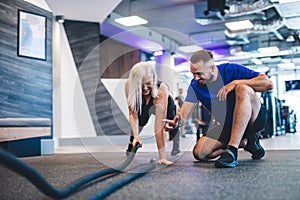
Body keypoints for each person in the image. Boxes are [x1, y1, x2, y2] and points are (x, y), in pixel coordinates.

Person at [165, 49, 273, 168]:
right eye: (193, 74)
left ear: (212, 68)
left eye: (199, 74)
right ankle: (247, 142)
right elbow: (184, 114)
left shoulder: (231, 70)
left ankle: (232, 150)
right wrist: (176, 122)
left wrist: (235, 83)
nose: (195, 78)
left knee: (242, 88)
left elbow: (268, 84)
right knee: (200, 152)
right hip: (228, 125)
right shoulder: (195, 85)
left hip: (254, 119)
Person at [125, 61, 180, 166]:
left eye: (148, 83)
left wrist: (162, 158)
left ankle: (176, 145)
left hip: (165, 104)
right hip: (144, 102)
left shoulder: (161, 89)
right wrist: (136, 135)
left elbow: (158, 127)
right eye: (141, 85)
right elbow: (133, 114)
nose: (145, 88)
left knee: (171, 124)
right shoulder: (129, 85)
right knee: (140, 123)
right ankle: (132, 143)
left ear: (153, 79)